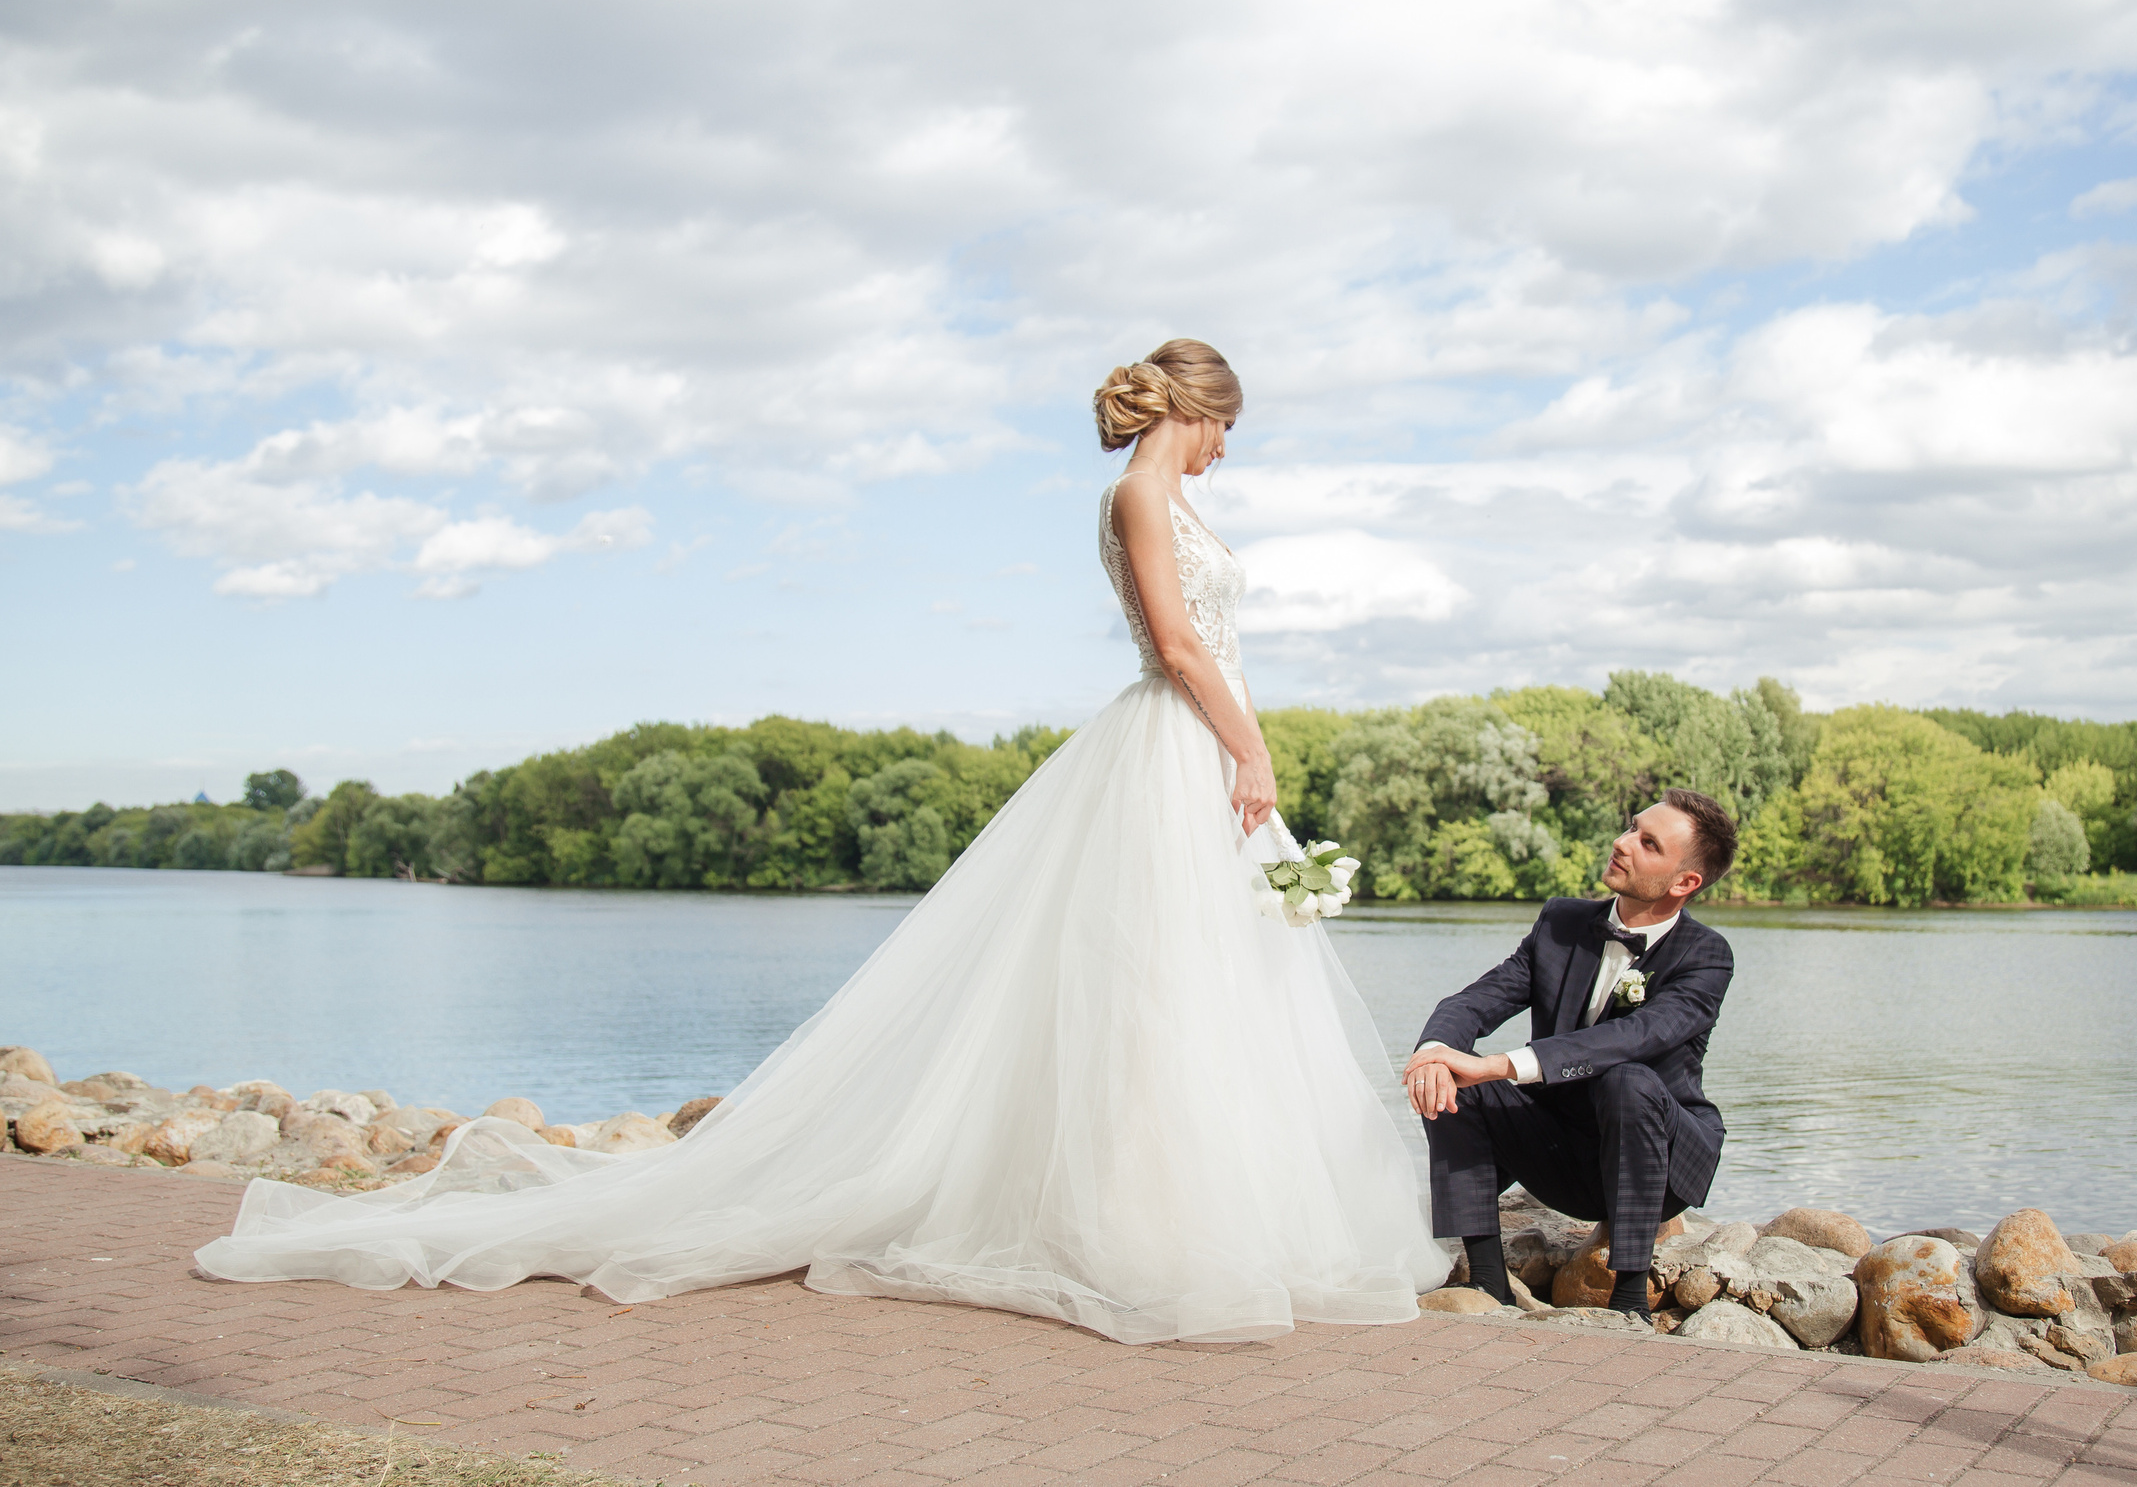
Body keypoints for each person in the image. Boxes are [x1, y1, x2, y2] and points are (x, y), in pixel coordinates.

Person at [196, 340, 1449, 1344]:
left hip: (1199, 749)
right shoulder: (1136, 494)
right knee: (1146, 989)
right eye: (1231, 429)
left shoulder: (1163, 495)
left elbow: (1204, 651)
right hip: (1180, 741)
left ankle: (1202, 1213)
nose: (1230, 452)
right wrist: (1251, 748)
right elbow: (1179, 650)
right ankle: (1138, 1226)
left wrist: (1240, 746)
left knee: (1208, 989)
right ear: (1203, 410)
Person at [1405, 792, 1738, 1315]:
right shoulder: (1561, 922)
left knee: (1627, 1078)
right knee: (1455, 1079)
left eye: (1647, 843)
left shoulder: (1707, 956)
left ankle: (1630, 1297)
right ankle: (1487, 1283)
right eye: (1631, 828)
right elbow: (1479, 999)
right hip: (1563, 1158)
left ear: (1684, 883)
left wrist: (1500, 1064)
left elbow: (1638, 1036)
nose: (1621, 843)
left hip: (1657, 1164)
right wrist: (1434, 1053)